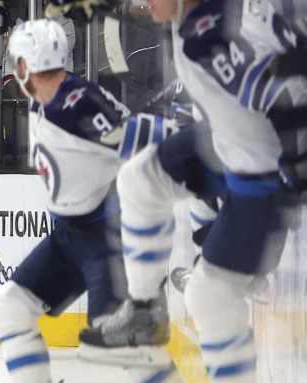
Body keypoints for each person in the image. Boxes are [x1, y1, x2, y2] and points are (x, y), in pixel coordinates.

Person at [58, 0, 307, 382]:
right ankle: (144, 312)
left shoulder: (208, 35)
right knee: (139, 178)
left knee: (209, 296)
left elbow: (282, 94)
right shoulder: (196, 15)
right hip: (226, 144)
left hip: (260, 172)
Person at [0, 18, 187, 383]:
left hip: (106, 241)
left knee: (127, 352)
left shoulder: (75, 105)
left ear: (25, 66)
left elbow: (136, 137)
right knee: (10, 310)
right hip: (69, 236)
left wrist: (186, 131)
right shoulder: (45, 101)